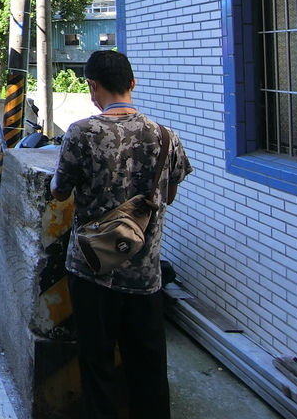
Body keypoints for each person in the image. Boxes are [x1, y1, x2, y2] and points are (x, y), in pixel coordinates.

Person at [50, 50, 192, 419]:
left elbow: (60, 192)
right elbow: (168, 196)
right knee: (148, 369)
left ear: (93, 86)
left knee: (97, 365)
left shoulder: (82, 132)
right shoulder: (166, 136)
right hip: (145, 275)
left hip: (91, 269)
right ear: (132, 84)